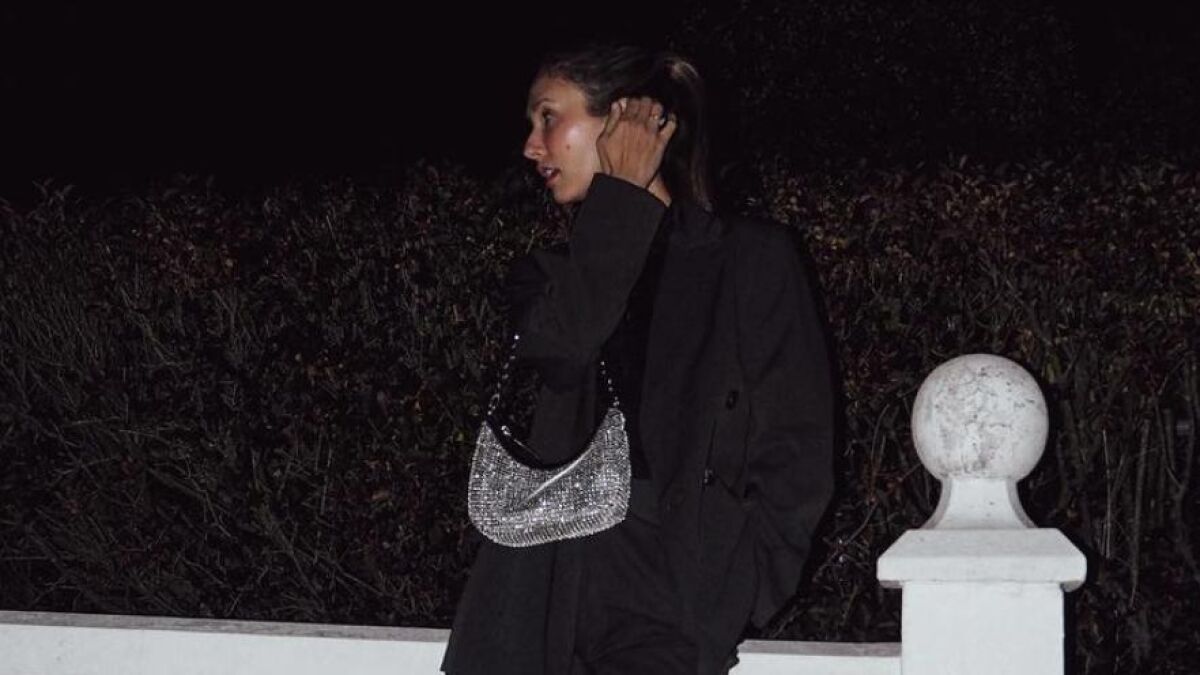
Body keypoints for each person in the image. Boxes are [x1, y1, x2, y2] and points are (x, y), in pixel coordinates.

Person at [442, 44, 834, 675]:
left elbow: (798, 446)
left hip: (670, 584)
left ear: (625, 117)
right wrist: (622, 199)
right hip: (541, 585)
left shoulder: (749, 261)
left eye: (548, 117)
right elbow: (565, 347)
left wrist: (738, 582)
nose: (532, 146)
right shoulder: (545, 276)